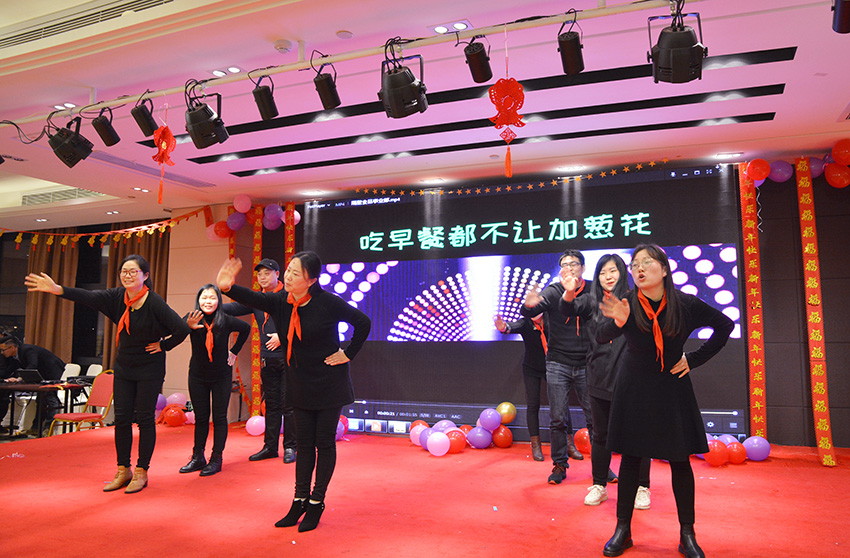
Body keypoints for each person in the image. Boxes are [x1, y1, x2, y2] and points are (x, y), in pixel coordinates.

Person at [216, 251, 371, 532]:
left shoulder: (328, 303)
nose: (287, 277)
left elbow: (363, 322)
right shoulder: (280, 301)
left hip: (329, 383)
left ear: (311, 280)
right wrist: (228, 287)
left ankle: (317, 501)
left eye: (295, 273)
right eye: (288, 270)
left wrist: (348, 353)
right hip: (299, 381)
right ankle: (299, 500)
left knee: (324, 443)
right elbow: (254, 298)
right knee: (303, 444)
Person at [597, 244, 733, 558]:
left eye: (646, 262)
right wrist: (618, 322)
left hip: (672, 388)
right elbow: (601, 335)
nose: (639, 269)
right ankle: (622, 530)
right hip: (634, 388)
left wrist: (694, 359)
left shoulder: (684, 304)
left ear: (665, 269)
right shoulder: (629, 303)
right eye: (634, 265)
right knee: (631, 458)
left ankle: (687, 534)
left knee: (679, 460)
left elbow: (725, 325)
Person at [24, 254, 190, 494]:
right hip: (124, 366)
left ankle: (142, 471)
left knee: (144, 419)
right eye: (124, 271)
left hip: (149, 368)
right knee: (121, 419)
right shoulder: (117, 298)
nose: (127, 275)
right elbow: (89, 297)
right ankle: (123, 470)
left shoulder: (154, 302)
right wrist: (58, 289)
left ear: (145, 276)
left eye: (133, 271)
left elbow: (181, 328)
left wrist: (163, 345)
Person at [558, 255, 651, 508]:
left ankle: (642, 487)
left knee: (637, 435)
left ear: (622, 272)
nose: (608, 277)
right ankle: (599, 485)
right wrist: (569, 292)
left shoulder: (635, 299)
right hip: (598, 376)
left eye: (613, 271)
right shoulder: (591, 301)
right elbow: (566, 309)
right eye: (602, 272)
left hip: (631, 378)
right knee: (600, 435)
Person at [521, 249, 593, 484]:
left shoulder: (593, 290)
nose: (568, 268)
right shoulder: (553, 291)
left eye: (573, 264)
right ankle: (559, 465)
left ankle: (602, 467)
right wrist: (528, 306)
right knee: (557, 418)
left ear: (583, 267)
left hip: (587, 362)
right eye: (564, 265)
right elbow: (530, 310)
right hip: (557, 362)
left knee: (594, 418)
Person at [223, 258, 297, 464]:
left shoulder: (288, 296)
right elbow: (234, 308)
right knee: (271, 405)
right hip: (267, 359)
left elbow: (301, 321)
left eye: (267, 273)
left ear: (277, 274)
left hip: (288, 358)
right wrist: (208, 304)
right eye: (259, 274)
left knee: (289, 405)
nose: (262, 277)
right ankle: (270, 447)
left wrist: (283, 336)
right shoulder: (258, 299)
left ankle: (291, 447)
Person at [179, 284, 250, 477]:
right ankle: (197, 457)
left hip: (221, 376)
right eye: (204, 298)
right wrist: (187, 327)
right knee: (201, 417)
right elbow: (176, 333)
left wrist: (234, 351)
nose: (208, 301)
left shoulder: (225, 319)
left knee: (219, 418)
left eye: (212, 297)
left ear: (218, 300)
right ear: (198, 300)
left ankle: (216, 458)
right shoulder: (191, 318)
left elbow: (246, 328)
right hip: (197, 376)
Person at [493, 313, 547, 461]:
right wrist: (503, 327)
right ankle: (536, 445)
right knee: (533, 404)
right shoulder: (525, 323)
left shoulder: (551, 318)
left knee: (560, 404)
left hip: (553, 366)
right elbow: (511, 327)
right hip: (531, 367)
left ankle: (568, 444)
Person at [0, 335, 65, 435]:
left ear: (12, 347)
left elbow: (32, 365)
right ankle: (36, 428)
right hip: (41, 374)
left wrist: (20, 378)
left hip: (52, 370)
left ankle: (49, 428)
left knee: (50, 399)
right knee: (40, 400)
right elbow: (10, 369)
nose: (2, 353)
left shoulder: (27, 350)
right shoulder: (13, 357)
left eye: (3, 350)